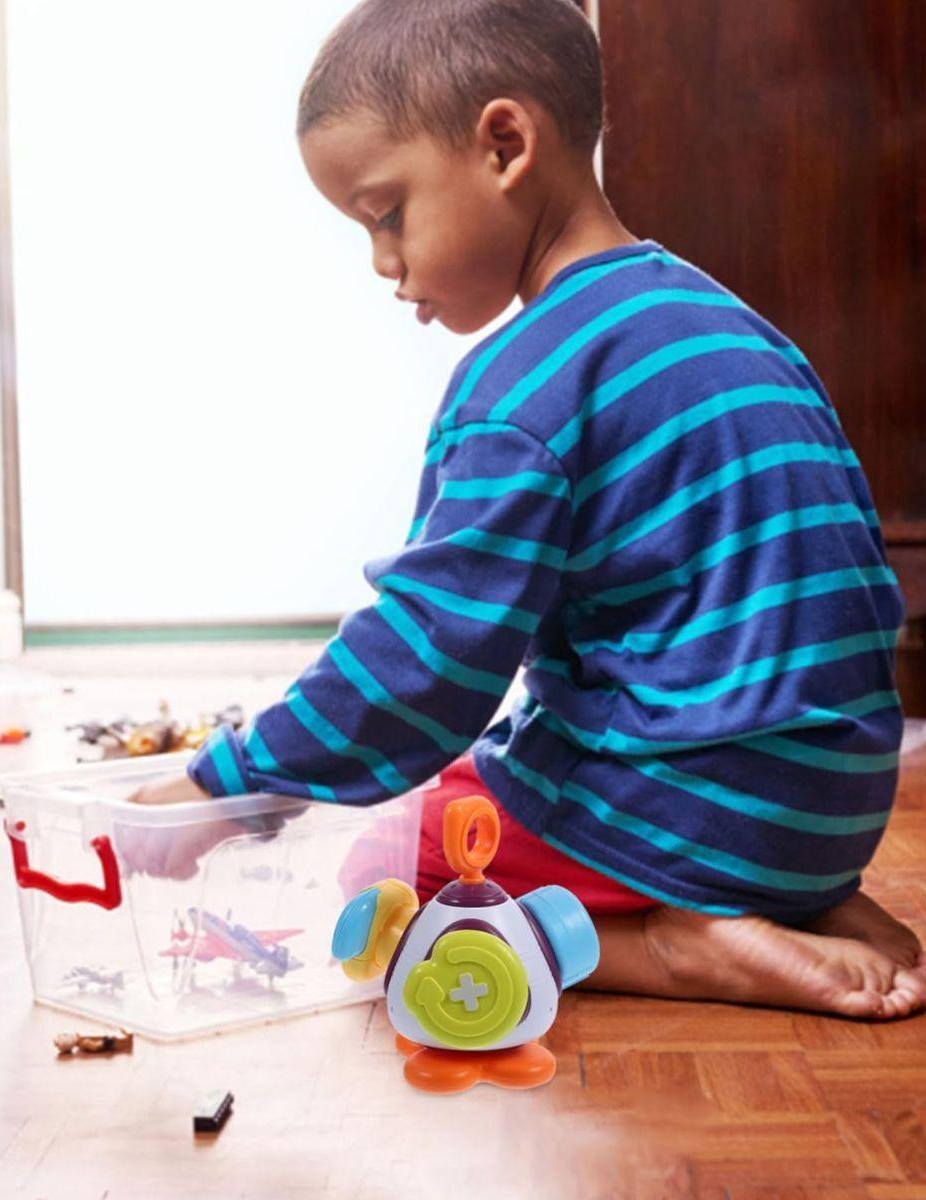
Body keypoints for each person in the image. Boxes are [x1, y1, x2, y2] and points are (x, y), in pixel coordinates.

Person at [131, 0, 925, 1019]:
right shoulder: (731, 324)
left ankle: (680, 947)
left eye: (385, 214)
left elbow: (429, 662)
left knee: (389, 869)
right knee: (490, 770)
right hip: (832, 802)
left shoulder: (523, 383)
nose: (383, 262)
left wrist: (225, 788)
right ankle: (803, 904)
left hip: (693, 813)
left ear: (505, 144)